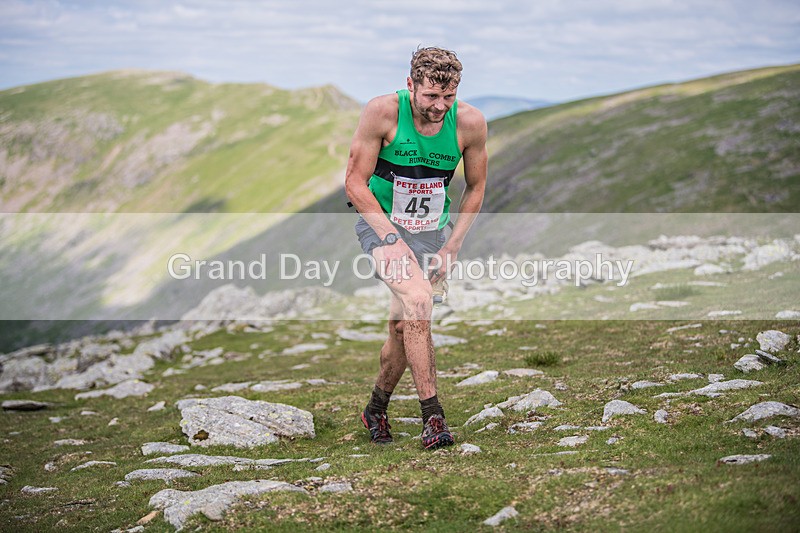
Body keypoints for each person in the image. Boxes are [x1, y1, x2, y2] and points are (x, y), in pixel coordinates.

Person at [344, 46, 488, 450]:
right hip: (381, 226)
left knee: (403, 326)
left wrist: (453, 246)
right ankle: (433, 418)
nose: (440, 106)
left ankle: (375, 408)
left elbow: (476, 186)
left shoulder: (470, 123)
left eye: (449, 96)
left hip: (431, 234)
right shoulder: (382, 112)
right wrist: (390, 239)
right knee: (420, 301)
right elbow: (354, 182)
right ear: (411, 85)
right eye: (430, 96)